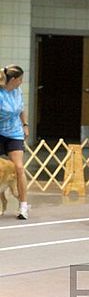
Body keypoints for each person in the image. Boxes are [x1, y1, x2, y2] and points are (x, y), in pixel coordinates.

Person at [0, 65, 29, 219]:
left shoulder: (17, 91)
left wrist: (25, 124)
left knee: (18, 167)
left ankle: (23, 206)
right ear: (14, 79)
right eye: (20, 79)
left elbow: (22, 109)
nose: (21, 82)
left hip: (14, 133)